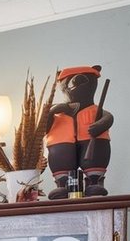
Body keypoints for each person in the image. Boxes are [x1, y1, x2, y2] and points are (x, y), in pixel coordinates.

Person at [45, 65, 112, 198]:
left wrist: (100, 125)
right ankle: (62, 186)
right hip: (62, 145)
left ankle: (94, 183)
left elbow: (108, 118)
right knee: (62, 160)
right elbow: (42, 128)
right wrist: (52, 111)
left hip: (93, 142)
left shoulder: (96, 110)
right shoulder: (56, 112)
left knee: (95, 160)